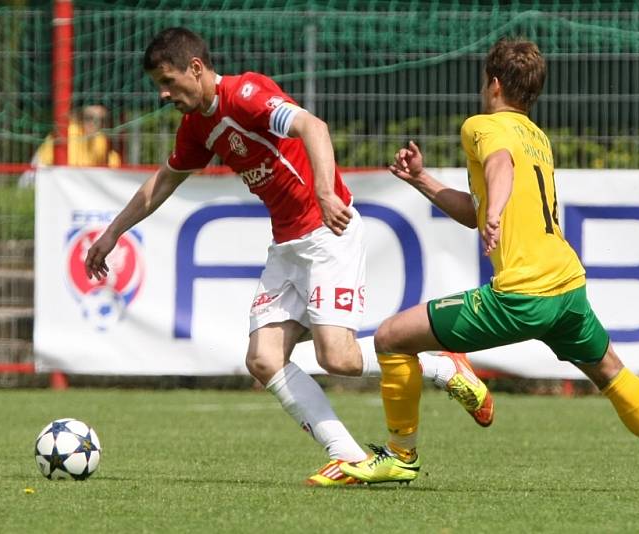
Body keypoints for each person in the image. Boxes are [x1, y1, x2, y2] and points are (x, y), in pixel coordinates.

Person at [82, 27, 471, 486]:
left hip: (328, 233)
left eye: (168, 82)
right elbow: (163, 181)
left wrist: (325, 191)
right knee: (264, 359)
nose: (164, 94)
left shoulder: (245, 94)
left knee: (338, 359)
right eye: (158, 87)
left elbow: (313, 126)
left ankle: (442, 365)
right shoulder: (197, 127)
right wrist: (111, 234)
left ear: (196, 68)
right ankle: (346, 455)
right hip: (287, 247)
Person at [341, 37, 639, 493]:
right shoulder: (538, 136)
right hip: (568, 288)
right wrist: (423, 180)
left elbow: (499, 166)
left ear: (493, 84)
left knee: (393, 337)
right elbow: (477, 209)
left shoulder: (483, 126)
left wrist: (495, 212)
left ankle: (400, 456)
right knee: (611, 371)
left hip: (522, 294)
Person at [19, 105, 121, 187]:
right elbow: (45, 165)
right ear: (80, 118)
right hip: (42, 176)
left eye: (101, 120)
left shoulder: (101, 140)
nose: (95, 123)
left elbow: (111, 164)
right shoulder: (68, 131)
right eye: (89, 118)